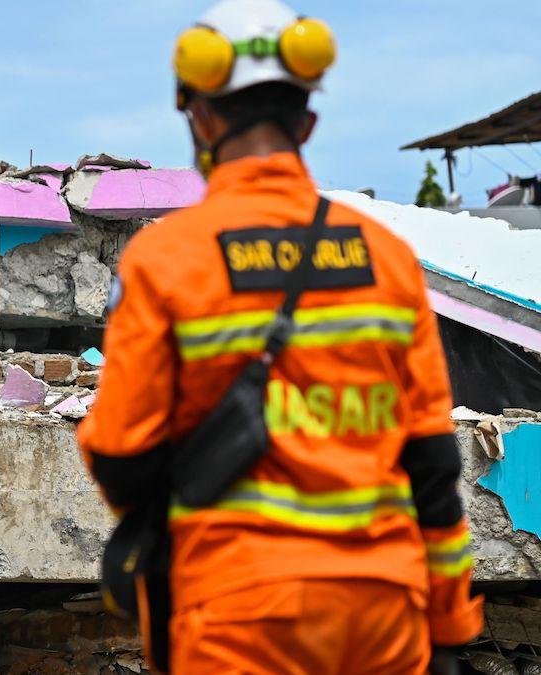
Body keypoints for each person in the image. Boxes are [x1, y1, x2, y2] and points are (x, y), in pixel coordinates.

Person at [78, 1, 483, 673]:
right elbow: (434, 467)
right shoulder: (388, 260)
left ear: (199, 118)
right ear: (308, 122)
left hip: (238, 619)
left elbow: (122, 453)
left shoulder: (166, 259)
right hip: (381, 619)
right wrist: (448, 623)